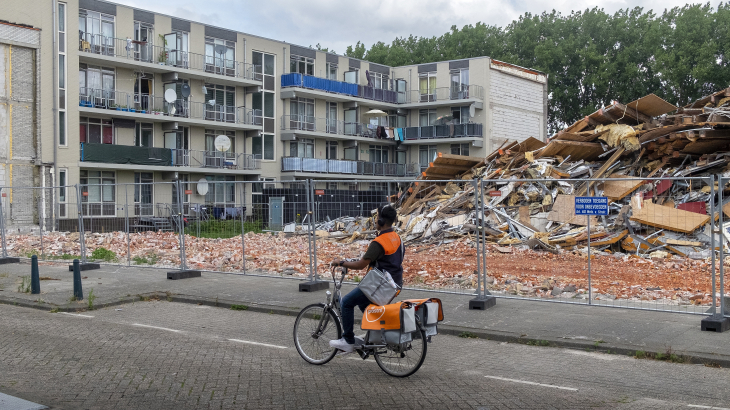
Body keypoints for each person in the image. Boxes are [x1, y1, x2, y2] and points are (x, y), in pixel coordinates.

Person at [329, 204, 405, 354]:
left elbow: (361, 265)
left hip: (379, 285)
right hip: (394, 284)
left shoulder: (379, 242)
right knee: (366, 307)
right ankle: (378, 335)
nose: (376, 220)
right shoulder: (397, 238)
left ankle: (348, 341)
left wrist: (341, 262)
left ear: (382, 221)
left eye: (377, 217)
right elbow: (387, 259)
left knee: (347, 302)